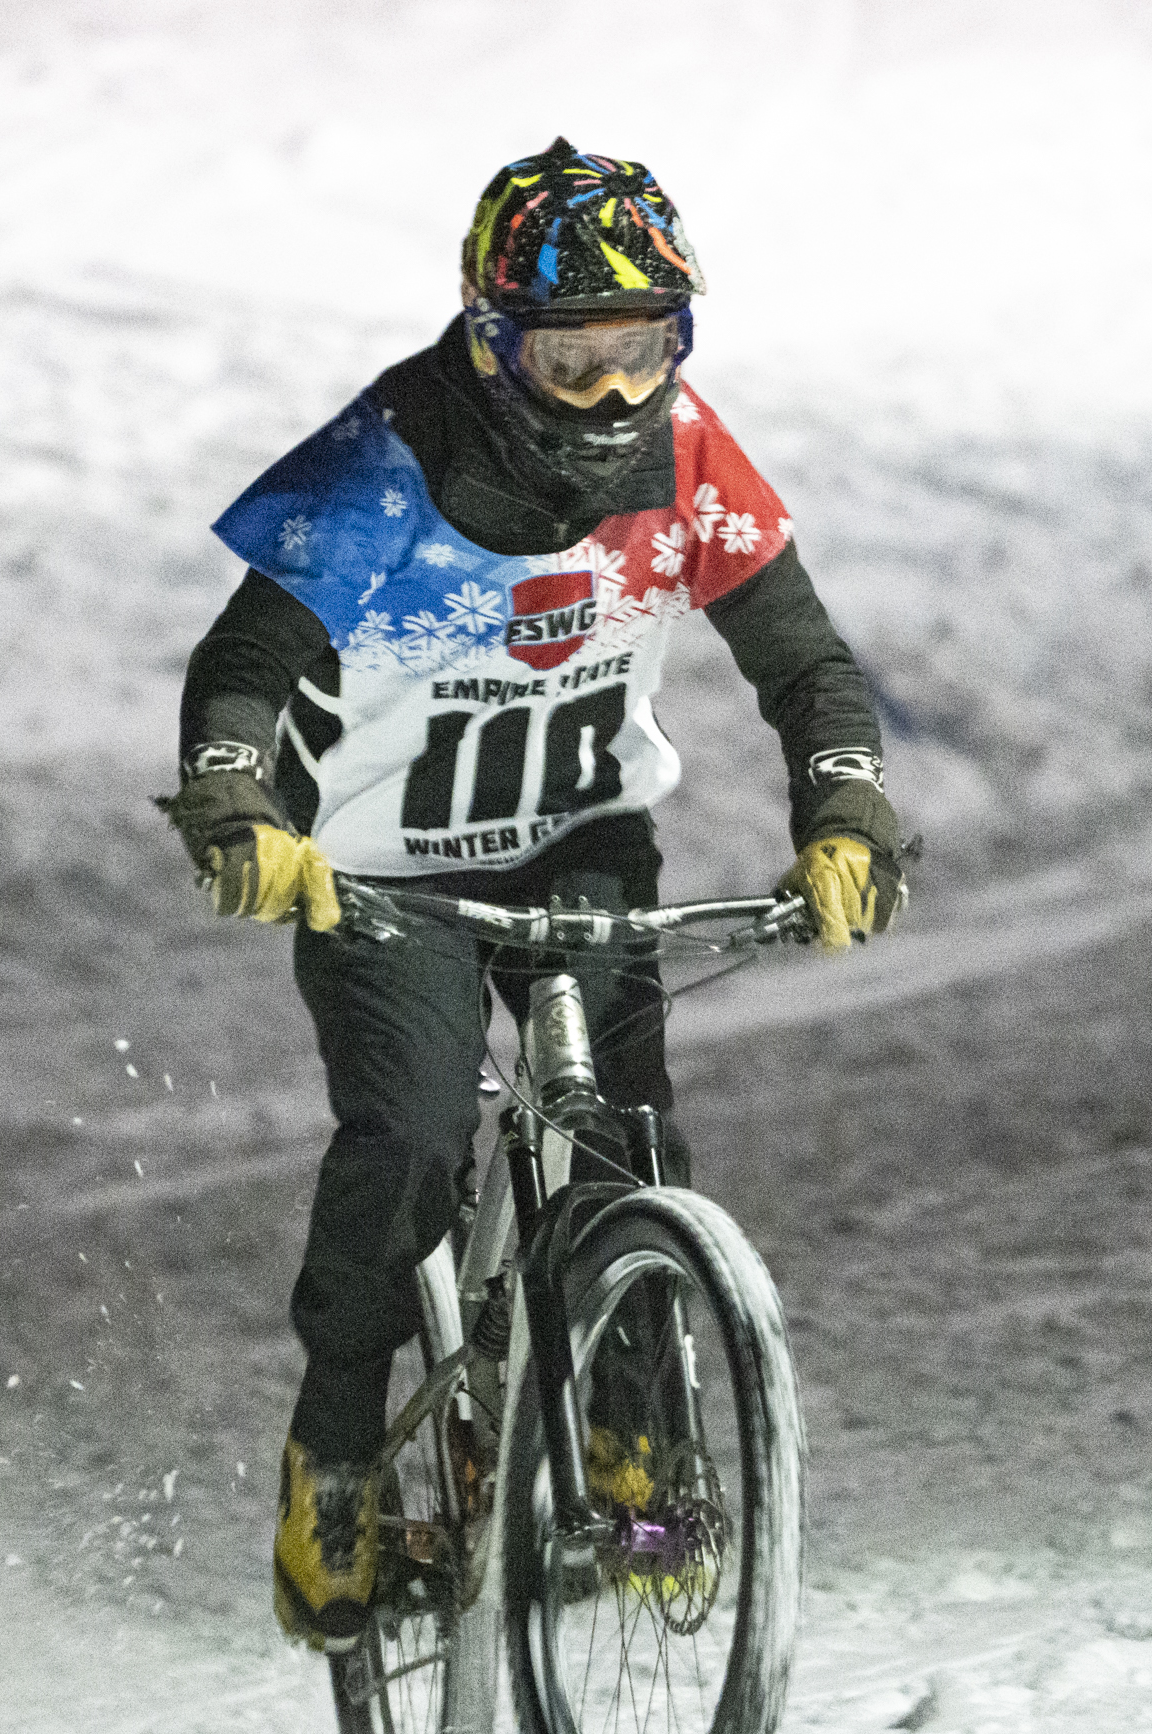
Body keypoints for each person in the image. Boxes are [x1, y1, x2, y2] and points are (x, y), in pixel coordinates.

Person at [161, 137, 906, 1647]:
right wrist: (237, 801)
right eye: (573, 362)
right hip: (379, 872)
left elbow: (808, 665)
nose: (616, 398)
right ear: (493, 341)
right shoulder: (388, 463)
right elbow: (242, 667)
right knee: (413, 1139)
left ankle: (636, 1447)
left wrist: (846, 808)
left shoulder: (687, 455)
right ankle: (336, 1444)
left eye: (647, 350)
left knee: (627, 1139)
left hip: (580, 844)